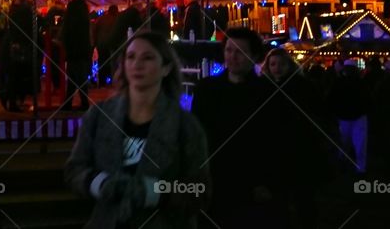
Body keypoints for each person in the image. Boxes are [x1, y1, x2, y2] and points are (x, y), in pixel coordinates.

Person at [65, 32, 210, 228]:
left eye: (148, 57)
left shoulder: (185, 125)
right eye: (131, 57)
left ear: (166, 68)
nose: (137, 64)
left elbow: (200, 189)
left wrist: (155, 192)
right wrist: (100, 183)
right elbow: (75, 169)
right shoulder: (98, 116)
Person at [191, 27, 278, 229]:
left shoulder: (267, 92)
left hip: (251, 177)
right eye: (229, 50)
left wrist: (267, 181)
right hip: (214, 174)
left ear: (253, 56)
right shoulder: (207, 89)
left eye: (239, 52)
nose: (232, 56)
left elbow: (274, 138)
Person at [261, 47, 329, 229]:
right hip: (275, 150)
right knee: (278, 198)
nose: (277, 68)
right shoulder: (263, 88)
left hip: (301, 148)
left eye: (281, 64)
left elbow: (318, 110)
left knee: (304, 197)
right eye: (273, 64)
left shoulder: (302, 86)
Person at [328, 58, 371, 174]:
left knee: (346, 142)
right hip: (356, 116)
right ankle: (359, 167)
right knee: (359, 143)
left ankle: (345, 163)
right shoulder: (361, 83)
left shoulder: (339, 82)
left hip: (347, 116)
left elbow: (331, 99)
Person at [2, 0, 36, 112]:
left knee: (16, 73)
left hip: (16, 42)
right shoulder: (25, 10)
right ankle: (11, 99)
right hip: (21, 43)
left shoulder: (14, 9)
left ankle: (11, 98)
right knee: (18, 73)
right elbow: (28, 26)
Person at [61, 0, 92, 110]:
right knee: (75, 75)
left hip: (75, 47)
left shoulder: (73, 7)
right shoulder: (83, 7)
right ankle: (70, 102)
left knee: (77, 76)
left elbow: (69, 28)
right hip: (82, 46)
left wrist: (65, 41)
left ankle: (83, 103)